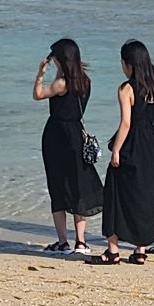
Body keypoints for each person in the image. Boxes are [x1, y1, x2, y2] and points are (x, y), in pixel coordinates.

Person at [94, 40, 154, 266]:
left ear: (128, 64)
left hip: (130, 144)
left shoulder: (126, 89)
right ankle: (140, 250)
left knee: (114, 193)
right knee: (144, 195)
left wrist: (116, 150)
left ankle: (113, 250)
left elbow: (126, 123)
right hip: (151, 146)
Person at [32, 36, 103, 256]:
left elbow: (38, 95)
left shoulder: (61, 83)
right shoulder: (85, 81)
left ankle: (63, 242)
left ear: (61, 59)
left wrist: (40, 73)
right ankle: (81, 241)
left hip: (57, 135)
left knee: (57, 186)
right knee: (77, 185)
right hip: (76, 133)